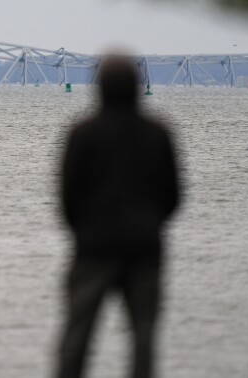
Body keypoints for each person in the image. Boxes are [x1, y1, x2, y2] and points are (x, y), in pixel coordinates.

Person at [55, 55, 182, 378]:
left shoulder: (81, 134)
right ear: (138, 88)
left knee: (76, 337)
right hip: (144, 249)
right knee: (143, 338)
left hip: (93, 249)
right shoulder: (159, 133)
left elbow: (67, 198)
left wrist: (84, 230)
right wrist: (150, 224)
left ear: (98, 88)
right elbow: (174, 196)